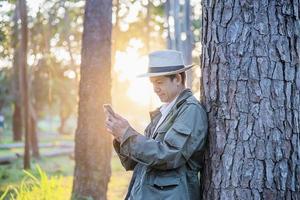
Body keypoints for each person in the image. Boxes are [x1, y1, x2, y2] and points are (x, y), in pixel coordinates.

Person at [104, 50, 208, 200]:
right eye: (152, 83)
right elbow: (137, 161)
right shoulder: (163, 112)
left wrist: (128, 134)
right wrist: (121, 137)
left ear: (178, 79)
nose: (155, 88)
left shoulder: (191, 110)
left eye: (159, 82)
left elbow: (169, 155)